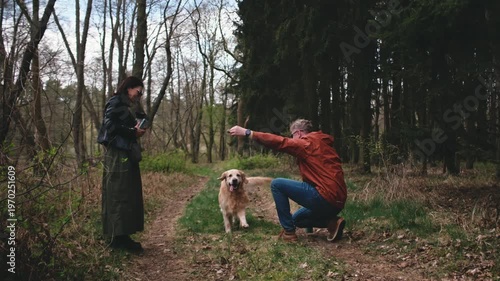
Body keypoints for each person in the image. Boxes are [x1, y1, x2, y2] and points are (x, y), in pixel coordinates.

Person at [228, 119, 347, 242]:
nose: (292, 138)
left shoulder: (307, 143)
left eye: (293, 135)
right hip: (337, 202)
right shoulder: (323, 144)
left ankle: (289, 233)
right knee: (296, 219)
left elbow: (280, 142)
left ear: (299, 133)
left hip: (324, 197)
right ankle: (332, 222)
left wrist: (248, 132)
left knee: (277, 184)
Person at [97, 76, 147, 253]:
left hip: (125, 153)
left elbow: (120, 125)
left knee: (127, 193)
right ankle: (116, 238)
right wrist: (132, 131)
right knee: (118, 194)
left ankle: (123, 235)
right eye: (138, 92)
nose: (138, 95)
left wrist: (136, 129)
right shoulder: (115, 102)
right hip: (117, 154)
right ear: (129, 88)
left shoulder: (125, 105)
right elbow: (108, 126)